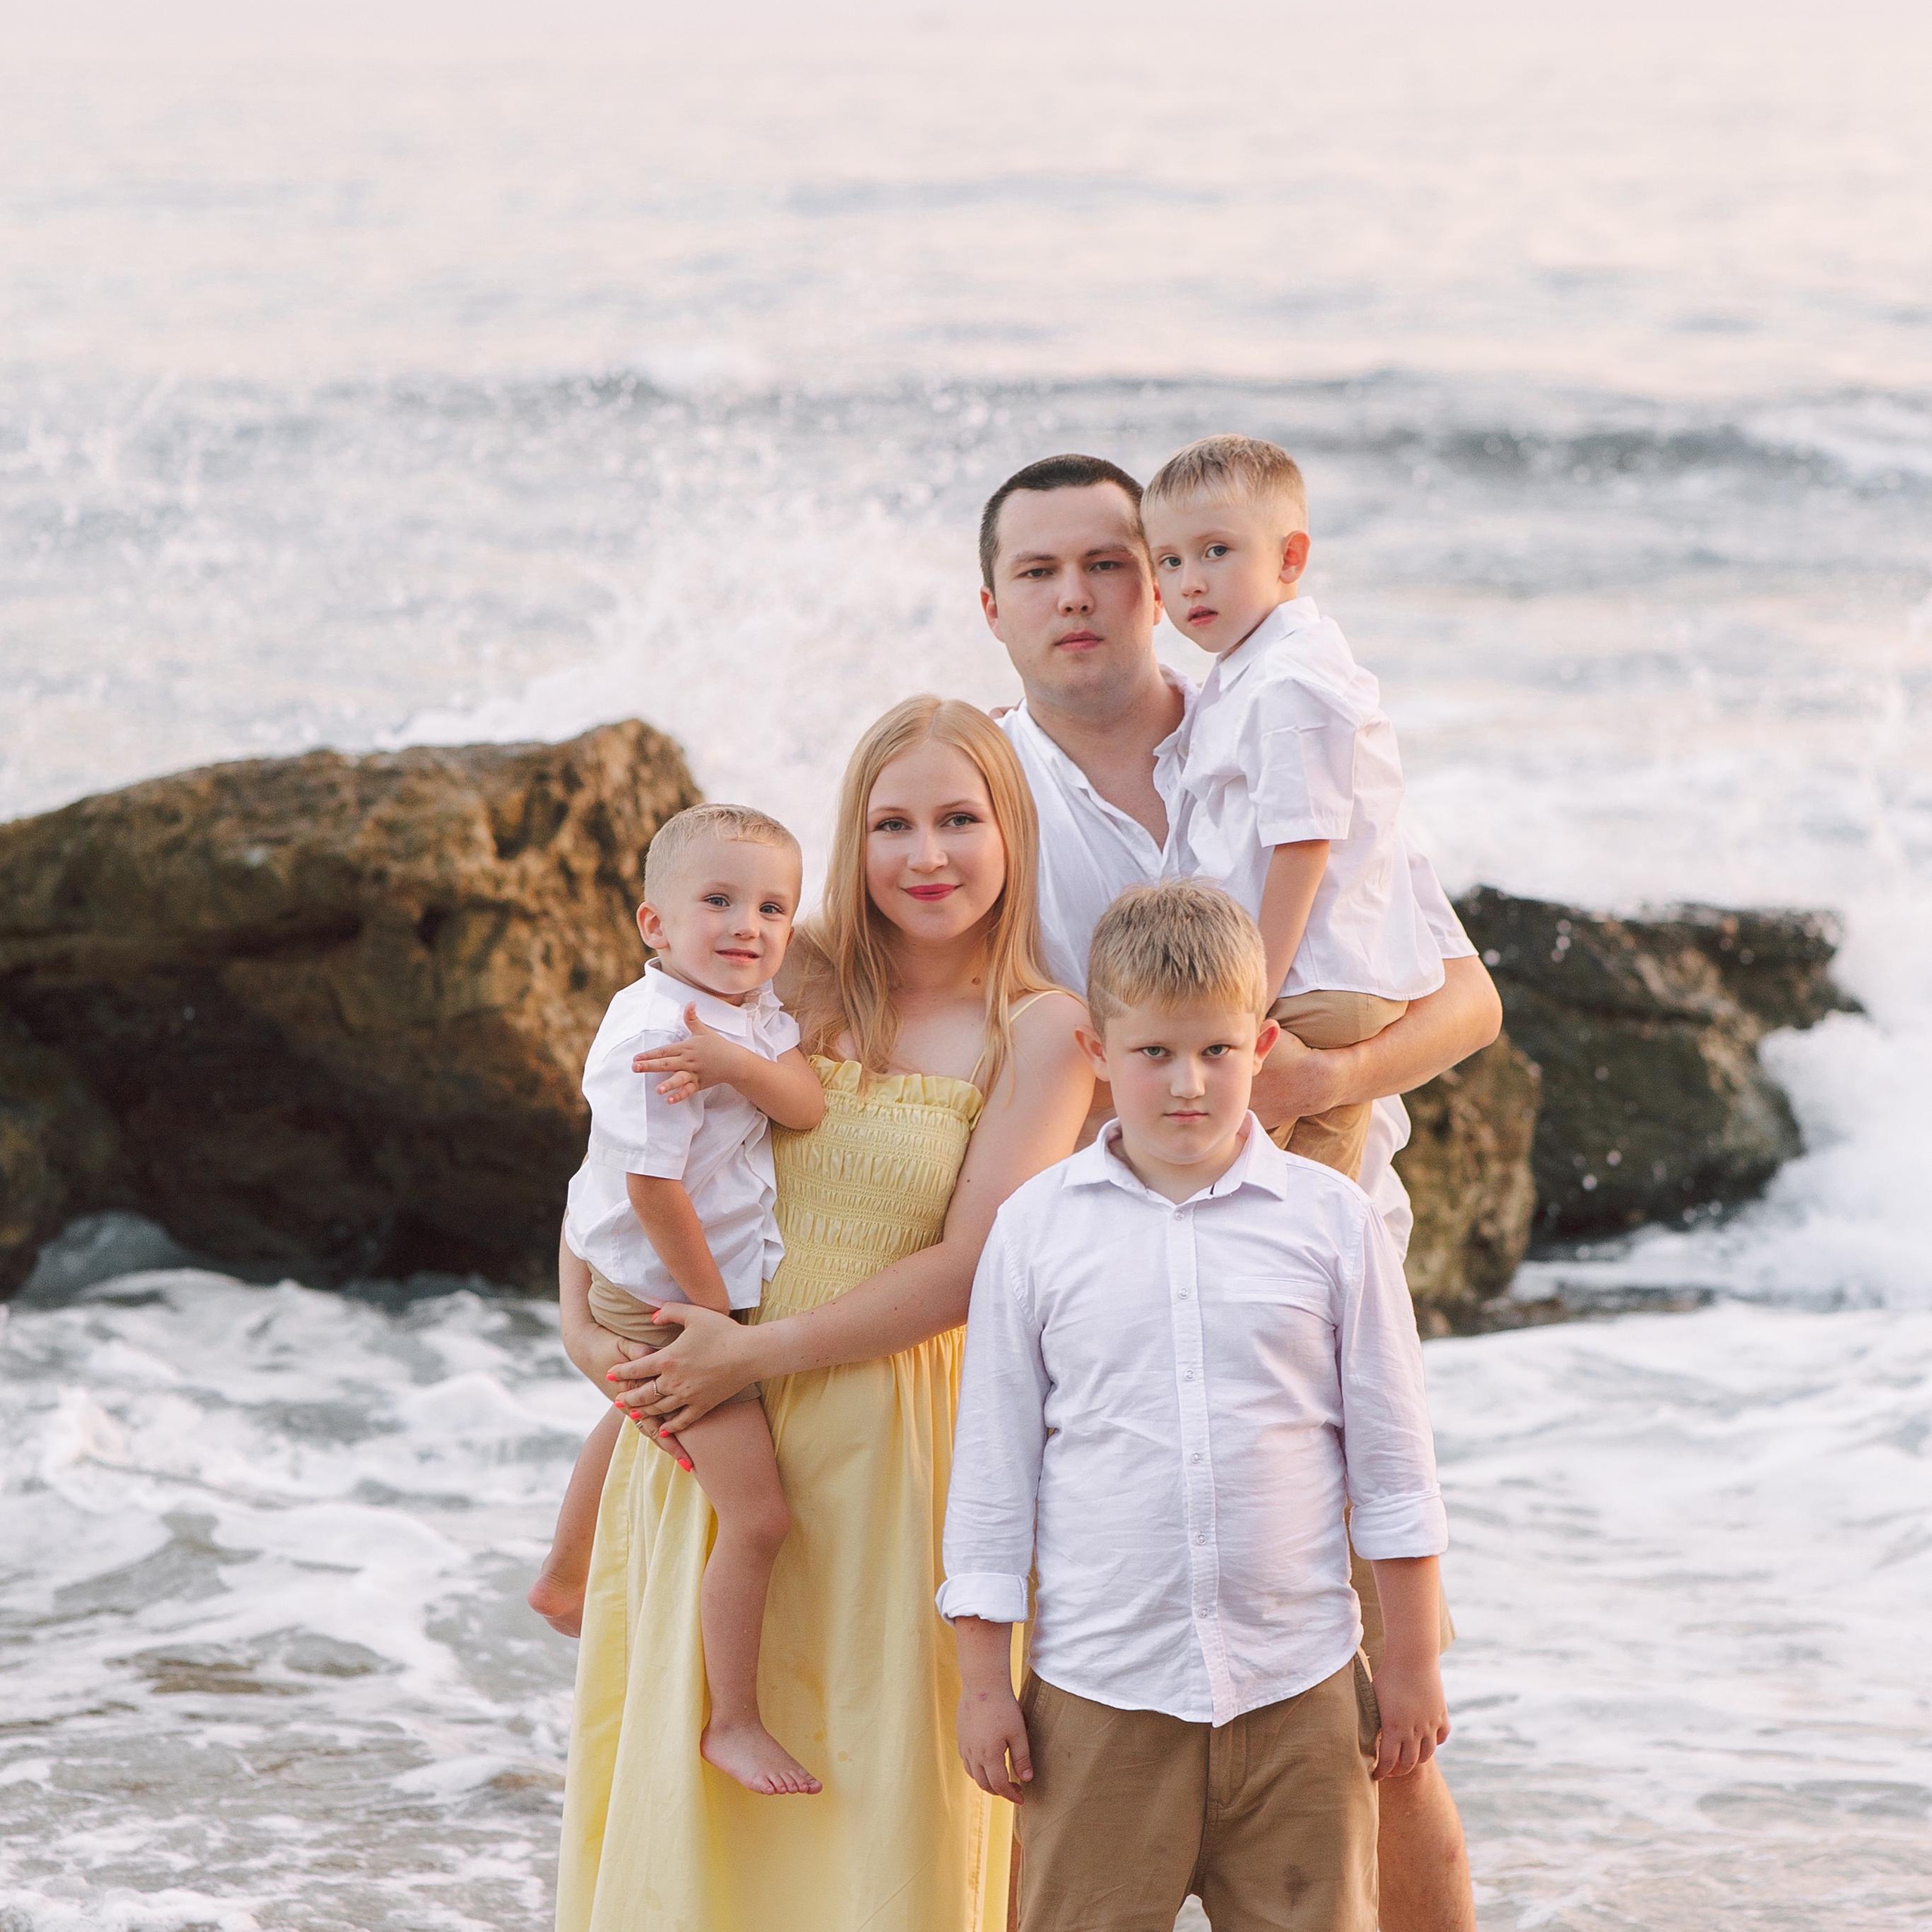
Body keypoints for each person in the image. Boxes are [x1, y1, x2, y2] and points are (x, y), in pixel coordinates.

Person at [980, 452, 1492, 1932]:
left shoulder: (1270, 715)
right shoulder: (986, 792)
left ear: (1161, 582)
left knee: (1375, 1722)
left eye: (1110, 562)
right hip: (1099, 1309)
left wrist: (1321, 1076)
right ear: (991, 605)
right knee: (1098, 1737)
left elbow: (1464, 999)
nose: (1080, 596)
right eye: (1038, 571)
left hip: (1308, 1275)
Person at [555, 697, 1093, 1932]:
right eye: (892, 824)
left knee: (870, 1799)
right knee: (694, 1818)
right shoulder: (782, 973)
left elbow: (972, 1265)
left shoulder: (1045, 1030)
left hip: (894, 1447)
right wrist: (584, 1328)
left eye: (960, 820)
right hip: (706, 1415)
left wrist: (757, 1350)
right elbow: (624, 1155)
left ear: (1011, 833)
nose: (926, 855)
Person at [944, 880, 1450, 1932]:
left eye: (1218, 1050)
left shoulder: (1332, 1221)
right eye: (1155, 1053)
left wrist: (1409, 1664)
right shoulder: (1035, 1231)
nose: (1188, 1083)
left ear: (1261, 1045)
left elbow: (1395, 1467)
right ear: (1097, 1052)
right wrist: (985, 1682)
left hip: (1299, 1691)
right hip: (1097, 1695)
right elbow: (993, 1476)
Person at [531, 802, 826, 1795]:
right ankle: (730, 1721)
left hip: (661, 1282)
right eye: (719, 902)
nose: (749, 925)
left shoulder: (748, 1012)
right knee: (760, 1518)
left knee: (631, 1411)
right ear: (655, 925)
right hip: (666, 1293)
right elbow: (653, 1190)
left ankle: (563, 1578)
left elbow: (805, 1105)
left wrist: (739, 1063)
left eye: (773, 908)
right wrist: (716, 1321)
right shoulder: (656, 1034)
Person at [1143, 434, 1445, 1180]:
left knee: (1249, 1191)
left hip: (1309, 981)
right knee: (1313, 1190)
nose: (1189, 583)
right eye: (1168, 561)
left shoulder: (1286, 683)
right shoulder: (1256, 669)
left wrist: (1246, 1004)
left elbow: (1302, 846)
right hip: (1321, 977)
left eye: (1216, 551)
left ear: (1289, 557)